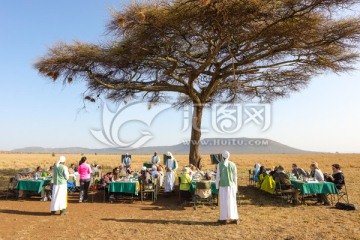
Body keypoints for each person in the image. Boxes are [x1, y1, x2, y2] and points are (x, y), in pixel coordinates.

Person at [215, 151, 239, 225]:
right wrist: (236, 187)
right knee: (232, 202)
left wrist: (217, 186)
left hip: (223, 186)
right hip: (232, 186)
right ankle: (235, 218)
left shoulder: (220, 164)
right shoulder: (233, 164)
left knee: (223, 202)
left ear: (222, 157)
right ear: (229, 156)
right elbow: (235, 177)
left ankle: (224, 219)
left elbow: (218, 176)